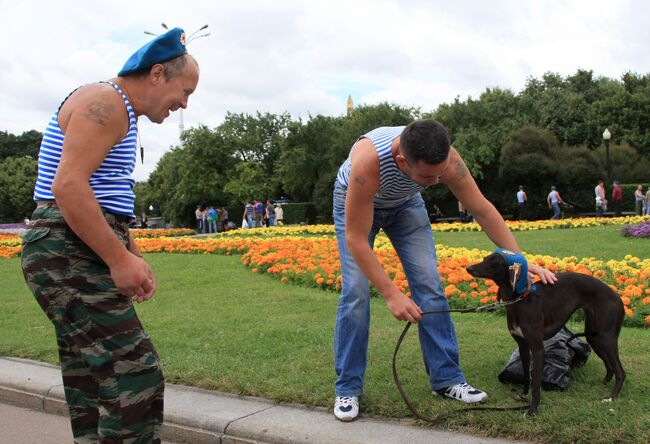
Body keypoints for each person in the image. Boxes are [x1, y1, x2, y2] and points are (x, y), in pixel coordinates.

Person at [20, 28, 200, 443]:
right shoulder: (106, 102)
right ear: (158, 74)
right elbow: (68, 187)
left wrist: (131, 252)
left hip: (70, 246)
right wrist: (119, 260)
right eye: (184, 91)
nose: (184, 104)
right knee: (134, 374)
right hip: (65, 247)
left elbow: (104, 194)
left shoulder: (119, 109)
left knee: (93, 378)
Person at [331, 120, 556, 422]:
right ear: (402, 162)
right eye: (427, 175)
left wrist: (521, 262)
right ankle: (348, 387)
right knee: (356, 291)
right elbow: (356, 240)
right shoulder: (367, 163)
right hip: (356, 202)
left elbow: (483, 210)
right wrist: (391, 294)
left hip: (406, 205)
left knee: (430, 285)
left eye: (440, 173)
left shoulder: (448, 159)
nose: (437, 181)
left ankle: (447, 379)